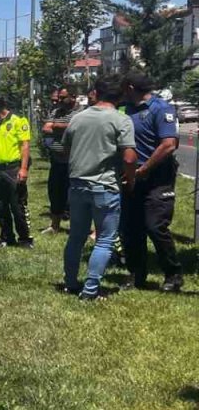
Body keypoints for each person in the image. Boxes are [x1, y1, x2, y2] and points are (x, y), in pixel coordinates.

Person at [62, 77, 137, 300]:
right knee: (105, 238)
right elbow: (130, 158)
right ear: (120, 96)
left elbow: (65, 150)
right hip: (104, 185)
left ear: (97, 92)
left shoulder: (77, 118)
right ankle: (91, 289)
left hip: (76, 184)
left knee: (76, 236)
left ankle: (70, 282)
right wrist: (130, 180)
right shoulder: (121, 120)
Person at [119, 72, 184, 292]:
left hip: (157, 178)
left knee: (155, 226)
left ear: (129, 87)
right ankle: (137, 274)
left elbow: (169, 144)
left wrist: (144, 169)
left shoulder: (161, 108)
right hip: (131, 177)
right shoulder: (125, 109)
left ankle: (173, 274)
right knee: (131, 228)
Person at [0, 93, 34, 247]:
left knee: (17, 206)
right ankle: (7, 238)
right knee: (0, 205)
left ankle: (24, 238)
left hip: (12, 169)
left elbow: (25, 145)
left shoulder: (18, 120)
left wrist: (23, 169)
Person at [41, 87, 79, 233]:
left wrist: (55, 126)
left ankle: (77, 227)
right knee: (55, 193)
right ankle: (54, 225)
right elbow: (46, 128)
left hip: (73, 161)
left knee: (74, 196)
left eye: (63, 98)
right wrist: (64, 127)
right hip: (57, 161)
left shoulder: (80, 113)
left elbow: (77, 129)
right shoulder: (56, 112)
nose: (60, 101)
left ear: (73, 97)